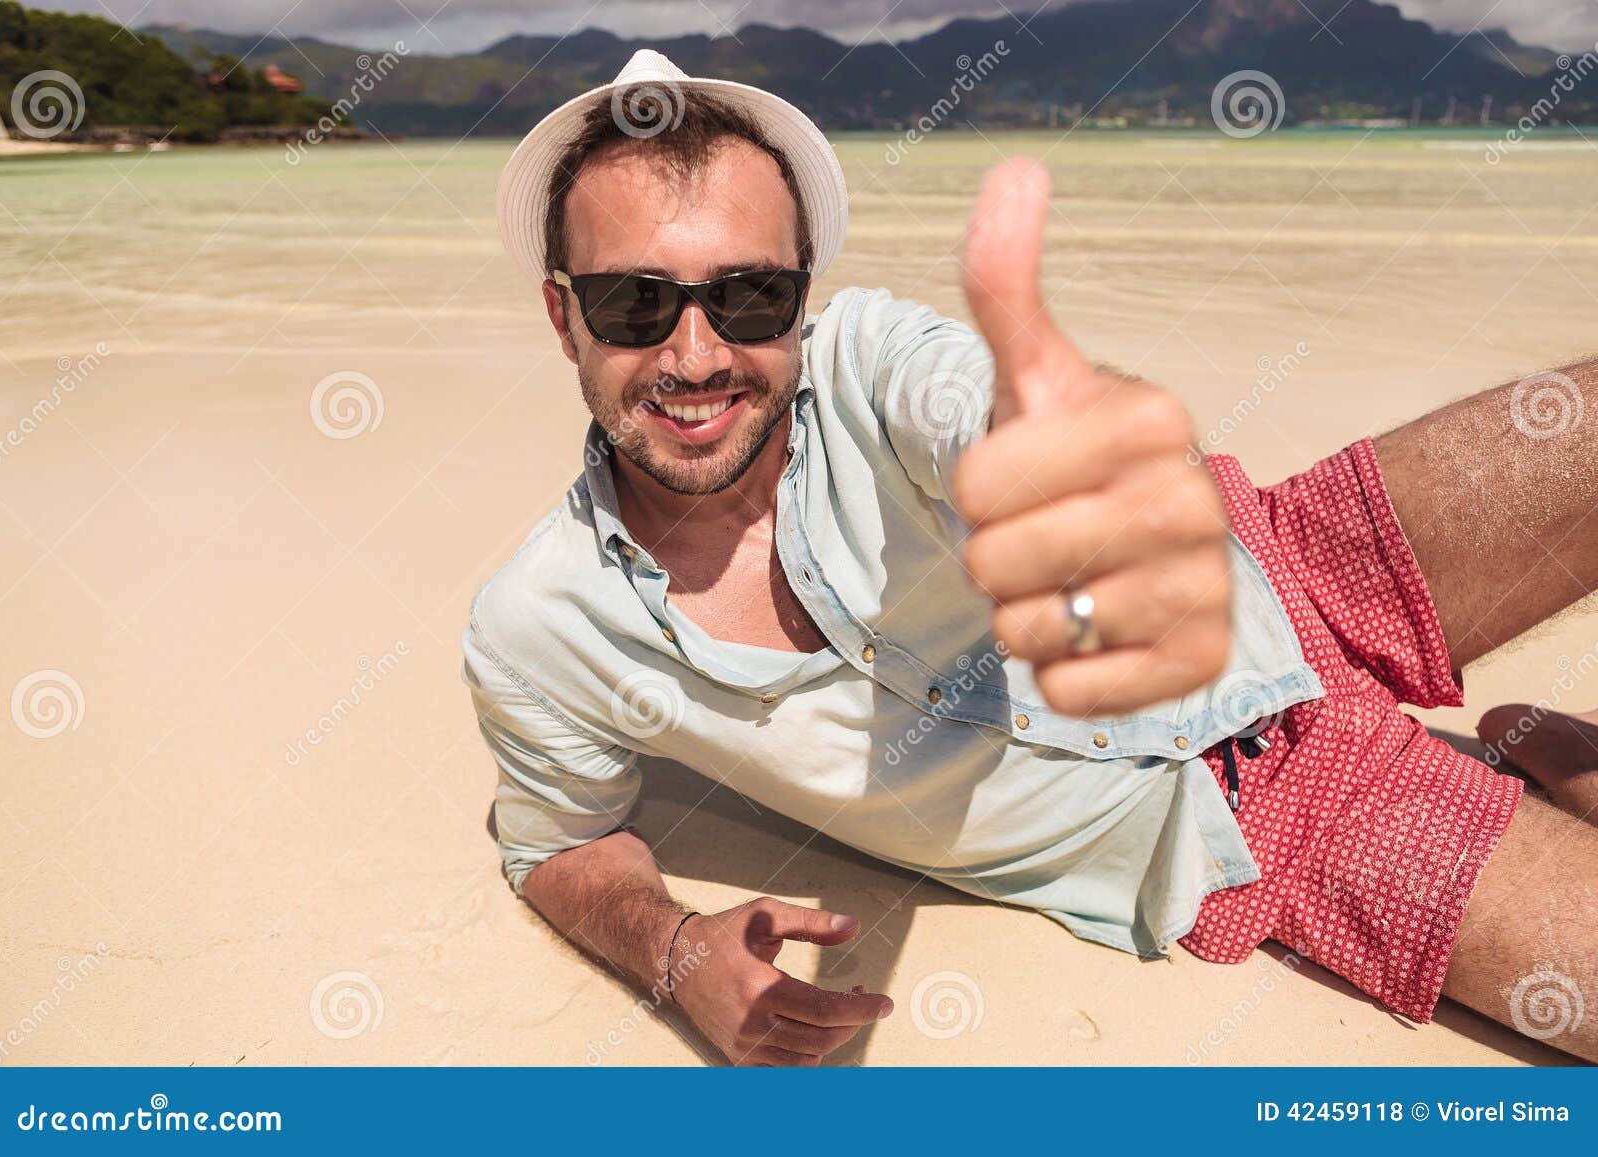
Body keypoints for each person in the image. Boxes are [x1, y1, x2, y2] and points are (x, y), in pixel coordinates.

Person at [462, 49, 1598, 1065]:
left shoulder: (869, 364)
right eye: (634, 303)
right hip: (1253, 814)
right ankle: (1520, 764)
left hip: (1271, 553)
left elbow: (987, 414)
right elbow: (562, 840)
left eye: (751, 295)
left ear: (802, 300)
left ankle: (1530, 758)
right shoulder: (540, 624)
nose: (698, 353)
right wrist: (673, 955)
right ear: (564, 317)